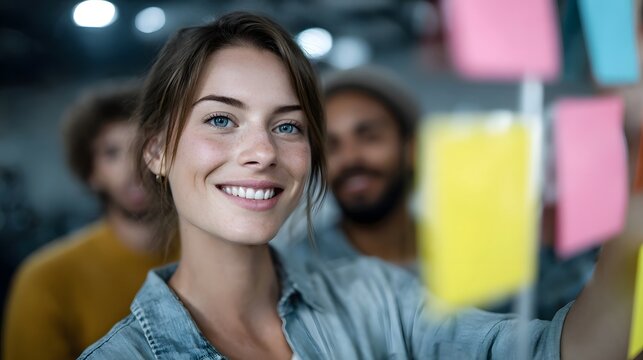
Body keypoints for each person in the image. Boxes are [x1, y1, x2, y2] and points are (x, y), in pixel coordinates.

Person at [79, 12, 639, 359]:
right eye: (221, 119)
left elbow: (555, 353)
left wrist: (632, 223)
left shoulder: (373, 297)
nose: (262, 151)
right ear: (155, 150)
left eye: (288, 125)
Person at [278, 65, 598, 320]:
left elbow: (561, 327)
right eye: (331, 146)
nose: (351, 158)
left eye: (370, 136)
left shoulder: (479, 248)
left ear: (412, 149)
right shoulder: (298, 274)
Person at [2, 82, 178, 360]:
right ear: (91, 172)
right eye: (112, 152)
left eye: (149, 146)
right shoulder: (45, 279)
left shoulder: (217, 259)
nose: (134, 167)